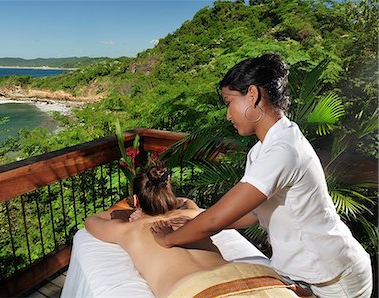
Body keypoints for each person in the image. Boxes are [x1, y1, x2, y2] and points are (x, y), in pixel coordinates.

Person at [150, 54, 373, 298]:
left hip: (335, 279)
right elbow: (253, 213)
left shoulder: (283, 150)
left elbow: (215, 221)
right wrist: (194, 224)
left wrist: (168, 240)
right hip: (311, 274)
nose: (228, 115)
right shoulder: (262, 149)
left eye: (229, 102)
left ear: (253, 95)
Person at [85, 164, 300, 297]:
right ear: (169, 193)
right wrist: (168, 201)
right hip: (251, 279)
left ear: (135, 201)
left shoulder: (129, 231)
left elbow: (91, 220)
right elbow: (186, 201)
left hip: (194, 291)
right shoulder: (194, 216)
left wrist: (134, 213)